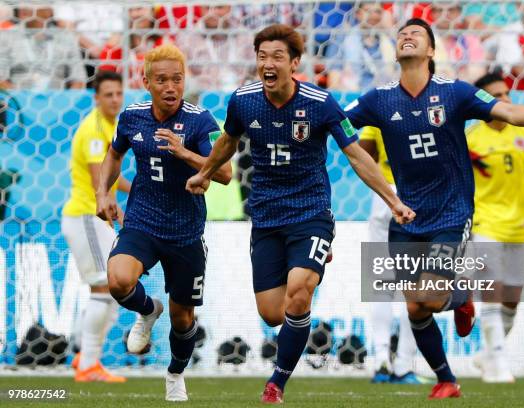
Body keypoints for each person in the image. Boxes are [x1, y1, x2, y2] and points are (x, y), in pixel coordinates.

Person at [344, 18, 524, 399]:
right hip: (405, 214)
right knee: (416, 307)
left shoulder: (454, 92)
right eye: (402, 33)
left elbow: (508, 112)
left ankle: (458, 296)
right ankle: (446, 379)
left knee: (432, 297)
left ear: (432, 52)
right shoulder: (378, 98)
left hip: (451, 213)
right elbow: (335, 121)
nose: (407, 35)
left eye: (417, 34)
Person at [185, 24, 414, 404]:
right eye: (262, 57)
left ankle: (277, 382)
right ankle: (310, 262)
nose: (268, 64)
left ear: (295, 63)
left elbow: (357, 155)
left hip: (311, 213)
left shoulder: (321, 103)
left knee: (299, 292)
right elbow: (228, 141)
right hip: (266, 216)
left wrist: (392, 200)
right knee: (273, 313)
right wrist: (204, 174)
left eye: (277, 57)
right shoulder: (243, 101)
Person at [96, 44, 232, 402]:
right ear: (146, 82)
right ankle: (147, 310)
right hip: (142, 221)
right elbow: (113, 155)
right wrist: (103, 194)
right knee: (118, 280)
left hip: (186, 232)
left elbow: (227, 173)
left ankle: (175, 374)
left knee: (183, 319)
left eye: (177, 79)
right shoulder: (132, 117)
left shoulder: (201, 121)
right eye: (162, 80)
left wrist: (185, 153)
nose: (170, 87)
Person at [466, 72, 524, 383]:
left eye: (507, 93)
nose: (506, 100)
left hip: (519, 224)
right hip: (485, 222)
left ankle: (488, 355)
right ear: (483, 101)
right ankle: (498, 366)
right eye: (497, 95)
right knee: (492, 288)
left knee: (512, 296)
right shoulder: (470, 138)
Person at [61, 71, 131, 382]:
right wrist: (119, 205)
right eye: (108, 95)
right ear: (96, 98)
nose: (115, 99)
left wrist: (139, 189)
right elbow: (97, 183)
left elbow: (112, 177)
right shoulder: (93, 130)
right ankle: (88, 362)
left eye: (118, 94)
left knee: (111, 287)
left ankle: (86, 358)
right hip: (87, 217)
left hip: (94, 219)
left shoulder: (110, 125)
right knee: (105, 285)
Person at [360, 126, 423, 385]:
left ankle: (381, 360)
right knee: (417, 287)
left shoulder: (379, 108)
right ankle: (404, 366)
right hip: (420, 195)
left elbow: (363, 153)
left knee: (382, 283)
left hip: (385, 196)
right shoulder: (436, 103)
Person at [0, 6, 86, 89]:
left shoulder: (65, 37)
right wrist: (18, 99)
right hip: (17, 99)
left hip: (58, 99)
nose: (24, 6)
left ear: (48, 11)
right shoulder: (6, 36)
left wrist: (68, 100)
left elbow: (78, 79)